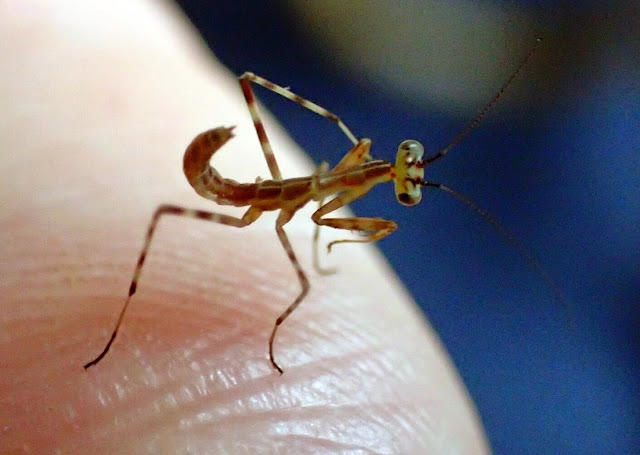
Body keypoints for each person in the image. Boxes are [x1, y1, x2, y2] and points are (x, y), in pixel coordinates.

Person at [0, 1, 489, 452]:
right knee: (257, 256)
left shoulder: (344, 178)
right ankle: (117, 327)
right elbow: (333, 192)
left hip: (278, 191)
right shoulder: (343, 177)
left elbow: (332, 198)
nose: (404, 172)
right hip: (233, 192)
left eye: (406, 181)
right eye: (406, 167)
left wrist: (338, 216)